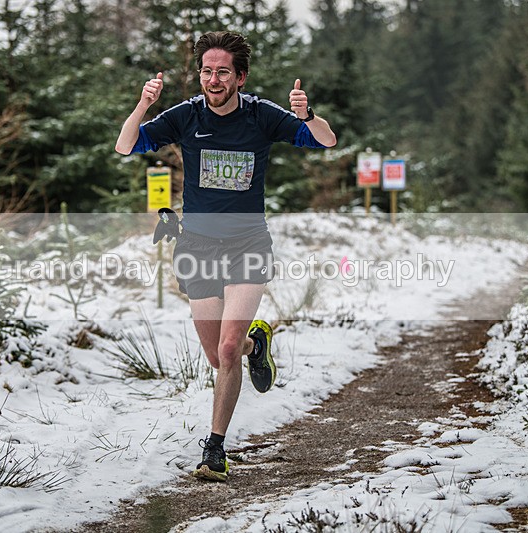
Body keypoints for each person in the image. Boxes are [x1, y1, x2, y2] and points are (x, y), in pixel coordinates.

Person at [115, 30, 336, 481]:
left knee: (228, 347)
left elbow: (325, 141)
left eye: (222, 72)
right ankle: (259, 346)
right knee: (219, 356)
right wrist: (144, 105)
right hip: (196, 246)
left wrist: (306, 114)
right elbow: (125, 145)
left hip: (248, 245)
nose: (213, 79)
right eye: (206, 71)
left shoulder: (260, 116)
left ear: (240, 77)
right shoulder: (185, 116)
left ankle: (214, 448)